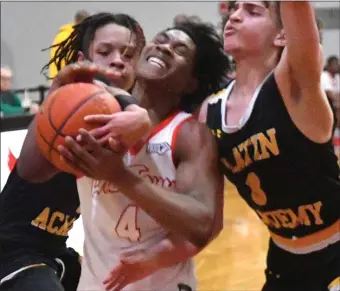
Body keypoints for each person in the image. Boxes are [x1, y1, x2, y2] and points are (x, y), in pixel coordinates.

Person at [56, 20, 229, 290]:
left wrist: (119, 176)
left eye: (180, 49)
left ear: (192, 82)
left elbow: (202, 223)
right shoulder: (92, 110)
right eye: (161, 39)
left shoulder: (189, 134)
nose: (165, 48)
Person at [0, 12, 147, 291]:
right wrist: (135, 109)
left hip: (56, 249)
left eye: (128, 55)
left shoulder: (119, 115)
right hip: (11, 249)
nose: (118, 59)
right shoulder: (71, 99)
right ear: (82, 60)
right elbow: (31, 170)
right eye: (105, 51)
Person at [199, 2, 340, 291]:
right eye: (234, 9)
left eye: (252, 11)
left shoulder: (294, 85)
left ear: (283, 35)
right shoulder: (209, 110)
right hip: (284, 256)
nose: (234, 15)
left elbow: (298, 11)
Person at [48, 10, 90, 79]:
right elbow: (72, 63)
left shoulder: (62, 35)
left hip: (56, 80)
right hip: (65, 81)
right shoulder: (70, 38)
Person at [322, 55, 340, 166]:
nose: (337, 66)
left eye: (337, 64)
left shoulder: (337, 77)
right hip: (326, 106)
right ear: (328, 65)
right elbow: (330, 93)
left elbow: (337, 93)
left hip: (335, 106)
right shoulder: (323, 76)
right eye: (335, 64)